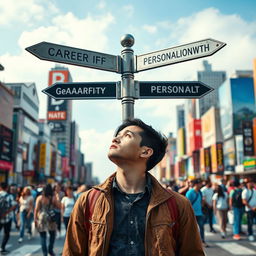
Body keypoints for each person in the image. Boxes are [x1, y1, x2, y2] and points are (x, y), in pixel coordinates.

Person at [63, 118, 204, 256]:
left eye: (127, 136)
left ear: (145, 152)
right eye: (117, 136)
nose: (115, 139)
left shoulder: (178, 205)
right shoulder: (88, 200)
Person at [34, 184, 61, 256]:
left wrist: (35, 220)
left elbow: (36, 210)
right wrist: (57, 196)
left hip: (42, 217)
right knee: (52, 234)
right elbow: (59, 206)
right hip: (51, 217)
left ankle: (45, 253)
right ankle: (50, 249)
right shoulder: (53, 198)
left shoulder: (40, 198)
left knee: (43, 236)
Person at [186, 179, 208, 247]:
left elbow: (201, 202)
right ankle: (191, 242)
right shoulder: (190, 192)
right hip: (192, 213)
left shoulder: (199, 192)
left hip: (199, 213)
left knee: (201, 227)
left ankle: (202, 241)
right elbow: (187, 204)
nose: (201, 185)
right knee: (191, 228)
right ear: (196, 184)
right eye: (200, 184)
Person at [0, 182, 17, 255]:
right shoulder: (10, 196)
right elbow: (13, 206)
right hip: (7, 218)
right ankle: (2, 248)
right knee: (6, 234)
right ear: (7, 188)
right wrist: (6, 213)